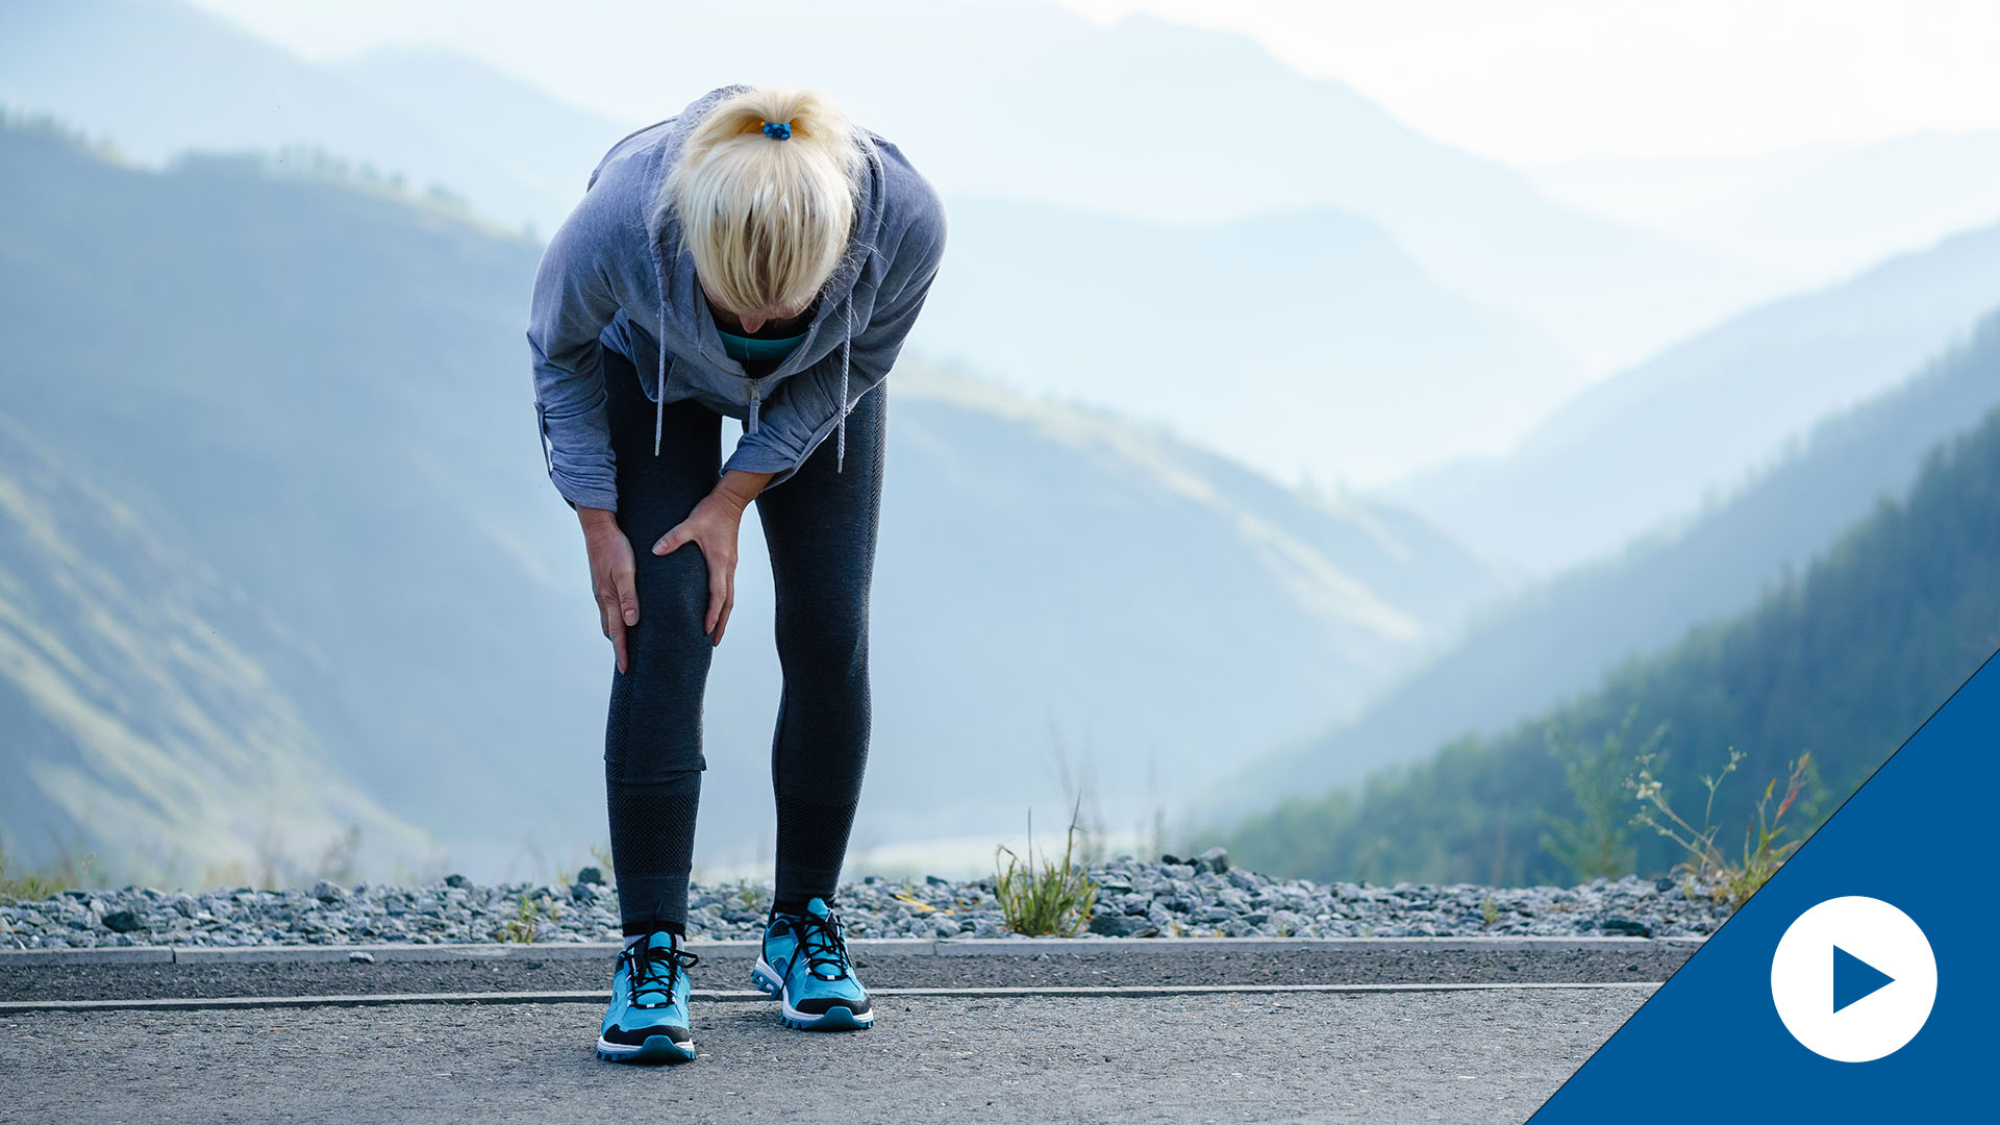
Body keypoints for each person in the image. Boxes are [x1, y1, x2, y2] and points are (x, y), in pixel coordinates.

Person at [526, 83, 947, 1063]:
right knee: (658, 613)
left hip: (825, 385)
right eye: (734, 309)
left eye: (780, 313)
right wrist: (597, 520)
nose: (754, 329)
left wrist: (731, 498)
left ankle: (801, 922)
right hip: (651, 370)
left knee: (828, 624)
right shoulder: (621, 223)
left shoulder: (903, 228)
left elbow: (863, 365)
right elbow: (558, 354)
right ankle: (650, 950)